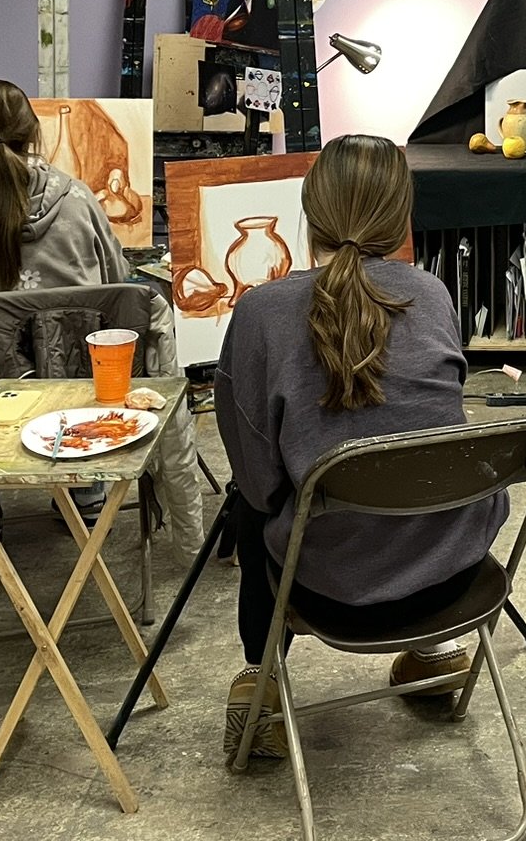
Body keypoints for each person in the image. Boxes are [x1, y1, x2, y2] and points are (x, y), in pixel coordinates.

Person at [214, 134, 506, 761]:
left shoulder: (263, 312)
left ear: (309, 210)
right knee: (413, 472)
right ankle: (431, 651)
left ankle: (262, 680)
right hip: (454, 578)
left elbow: (259, 481)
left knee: (254, 501)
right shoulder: (430, 295)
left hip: (328, 587)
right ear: (402, 217)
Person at [0, 79, 127, 537]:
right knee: (81, 342)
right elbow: (117, 290)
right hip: (75, 397)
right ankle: (87, 495)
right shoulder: (78, 200)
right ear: (31, 131)